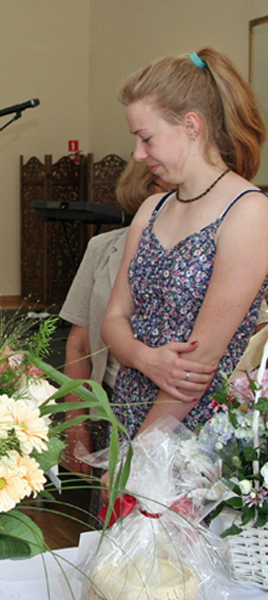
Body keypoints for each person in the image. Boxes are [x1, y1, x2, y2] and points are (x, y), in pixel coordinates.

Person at [101, 47, 268, 441]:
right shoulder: (152, 208)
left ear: (192, 124)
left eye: (146, 138)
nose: (139, 155)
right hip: (129, 405)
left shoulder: (248, 212)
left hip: (191, 428)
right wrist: (146, 358)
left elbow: (199, 364)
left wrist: (137, 457)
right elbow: (113, 320)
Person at [60, 160, 170, 475]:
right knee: (112, 513)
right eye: (161, 191)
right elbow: (79, 344)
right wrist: (75, 423)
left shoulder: (211, 251)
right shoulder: (103, 247)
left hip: (178, 409)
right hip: (111, 408)